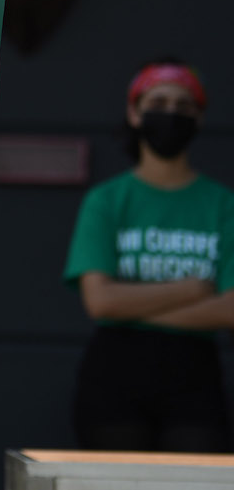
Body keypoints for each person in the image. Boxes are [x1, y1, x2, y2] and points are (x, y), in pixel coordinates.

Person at [64, 58, 234, 452]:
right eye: (158, 102)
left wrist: (132, 307)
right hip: (114, 377)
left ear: (200, 118)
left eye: (183, 106)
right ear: (134, 113)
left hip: (196, 376)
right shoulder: (107, 200)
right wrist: (195, 288)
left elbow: (230, 310)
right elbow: (100, 301)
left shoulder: (223, 205)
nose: (170, 114)